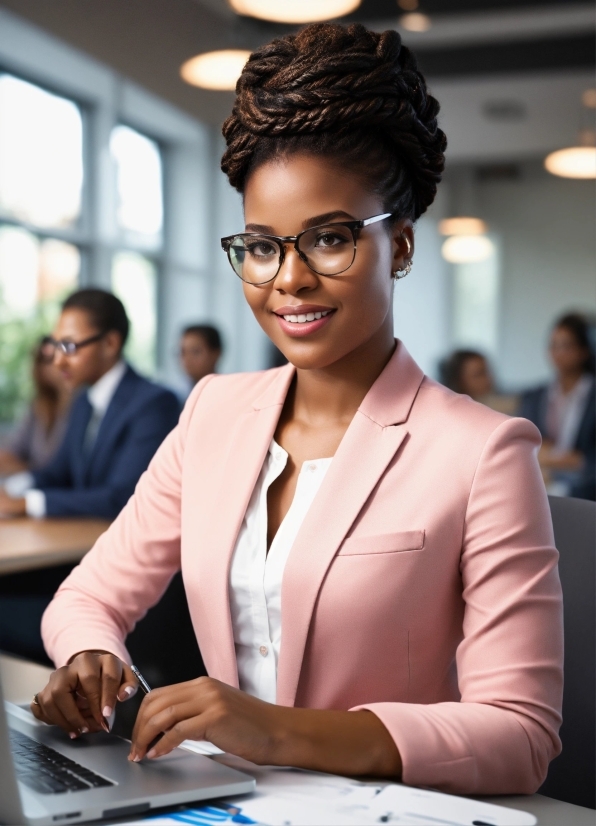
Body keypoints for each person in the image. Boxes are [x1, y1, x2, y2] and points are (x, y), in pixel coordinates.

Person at [34, 24, 562, 796]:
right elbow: (87, 596)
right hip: (215, 802)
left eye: (331, 239)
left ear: (402, 248)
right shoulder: (214, 413)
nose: (289, 279)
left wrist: (274, 729)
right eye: (261, 245)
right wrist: (89, 656)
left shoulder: (484, 452)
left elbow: (520, 733)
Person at [0, 288, 181, 518]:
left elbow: (122, 496)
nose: (58, 361)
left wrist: (27, 503)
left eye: (69, 347)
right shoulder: (84, 401)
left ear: (110, 344)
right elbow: (58, 473)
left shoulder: (154, 404)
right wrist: (13, 488)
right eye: (56, 346)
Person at [519, 312, 595, 500]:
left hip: (586, 489)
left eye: (566, 346)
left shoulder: (591, 395)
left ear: (584, 350)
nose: (558, 353)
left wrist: (579, 461)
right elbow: (523, 442)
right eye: (553, 346)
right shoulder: (534, 397)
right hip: (542, 483)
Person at [0, 338, 73, 475]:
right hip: (36, 482)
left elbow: (63, 470)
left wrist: (28, 470)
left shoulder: (83, 404)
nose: (56, 364)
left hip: (57, 488)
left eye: (56, 357)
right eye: (45, 360)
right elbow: (14, 449)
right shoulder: (39, 406)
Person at [439, 349, 518, 415]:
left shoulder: (504, 405)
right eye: (479, 374)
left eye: (487, 371)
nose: (488, 378)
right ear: (458, 381)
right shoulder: (454, 415)